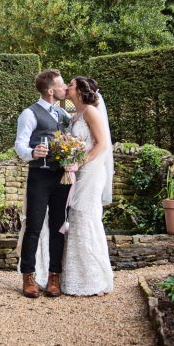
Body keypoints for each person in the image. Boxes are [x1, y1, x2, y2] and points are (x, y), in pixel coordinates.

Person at [14, 69, 72, 298]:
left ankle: (54, 276)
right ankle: (28, 275)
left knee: (59, 227)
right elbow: (19, 145)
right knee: (34, 226)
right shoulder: (29, 114)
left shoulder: (63, 114)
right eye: (61, 84)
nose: (65, 87)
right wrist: (32, 152)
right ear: (51, 91)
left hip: (62, 177)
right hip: (39, 176)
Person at [59, 76, 114, 296]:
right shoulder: (75, 116)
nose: (67, 87)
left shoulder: (91, 111)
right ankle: (77, 277)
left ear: (80, 91)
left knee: (86, 216)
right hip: (79, 172)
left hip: (91, 172)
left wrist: (80, 161)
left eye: (70, 85)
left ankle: (96, 279)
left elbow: (103, 144)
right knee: (76, 217)